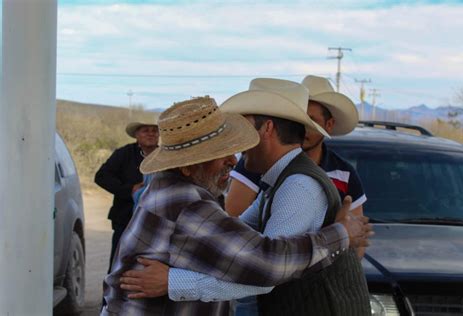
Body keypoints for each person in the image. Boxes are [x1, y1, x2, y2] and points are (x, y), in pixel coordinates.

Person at [119, 80, 371, 316]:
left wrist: (172, 282)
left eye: (243, 129)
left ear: (267, 129)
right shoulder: (190, 200)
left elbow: (262, 270)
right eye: (222, 148)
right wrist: (340, 235)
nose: (235, 153)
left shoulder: (298, 185)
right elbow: (259, 259)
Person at [226, 75, 367, 259]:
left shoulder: (299, 185)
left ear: (268, 128)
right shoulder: (277, 174)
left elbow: (268, 265)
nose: (241, 140)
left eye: (248, 127)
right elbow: (237, 231)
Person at [94, 119, 158, 272]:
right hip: (125, 218)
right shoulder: (124, 154)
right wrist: (129, 190)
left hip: (156, 222)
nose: (150, 134)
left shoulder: (166, 156)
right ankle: (112, 295)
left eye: (154, 131)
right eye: (145, 130)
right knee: (119, 264)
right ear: (137, 135)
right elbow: (101, 176)